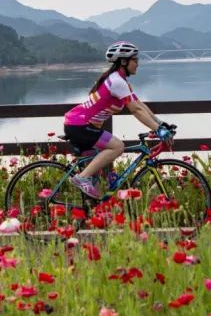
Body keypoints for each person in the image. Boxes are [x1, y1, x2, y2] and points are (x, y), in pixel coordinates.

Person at [63, 41, 172, 199]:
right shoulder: (117, 82)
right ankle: (81, 178)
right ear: (123, 61)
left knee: (96, 186)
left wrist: (160, 124)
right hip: (80, 126)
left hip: (81, 125)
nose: (138, 64)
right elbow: (135, 110)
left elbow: (140, 105)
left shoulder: (121, 81)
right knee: (117, 146)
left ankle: (95, 215)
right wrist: (158, 130)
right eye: (135, 60)